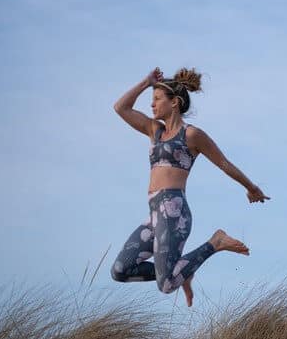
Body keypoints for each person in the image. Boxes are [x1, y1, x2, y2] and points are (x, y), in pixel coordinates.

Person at [110, 67, 270, 307]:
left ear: (174, 102)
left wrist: (251, 187)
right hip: (154, 214)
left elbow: (224, 163)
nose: (152, 106)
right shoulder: (154, 130)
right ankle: (182, 271)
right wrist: (146, 82)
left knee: (166, 285)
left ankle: (216, 242)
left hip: (174, 213)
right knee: (121, 270)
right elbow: (120, 108)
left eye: (156, 100)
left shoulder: (191, 135)